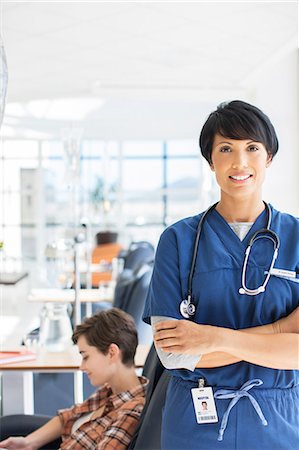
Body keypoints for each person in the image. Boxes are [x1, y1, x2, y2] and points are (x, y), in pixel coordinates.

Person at [143, 100, 299, 450]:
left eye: (252, 148)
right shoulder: (178, 240)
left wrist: (214, 339)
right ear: (211, 160)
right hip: (195, 426)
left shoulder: (297, 237)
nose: (240, 162)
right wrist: (279, 331)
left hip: (280, 425)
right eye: (226, 148)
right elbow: (174, 355)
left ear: (269, 157)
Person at [0, 308, 148, 450]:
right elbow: (70, 416)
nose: (82, 367)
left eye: (86, 356)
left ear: (112, 353)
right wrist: (28, 443)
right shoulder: (111, 390)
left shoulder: (130, 412)